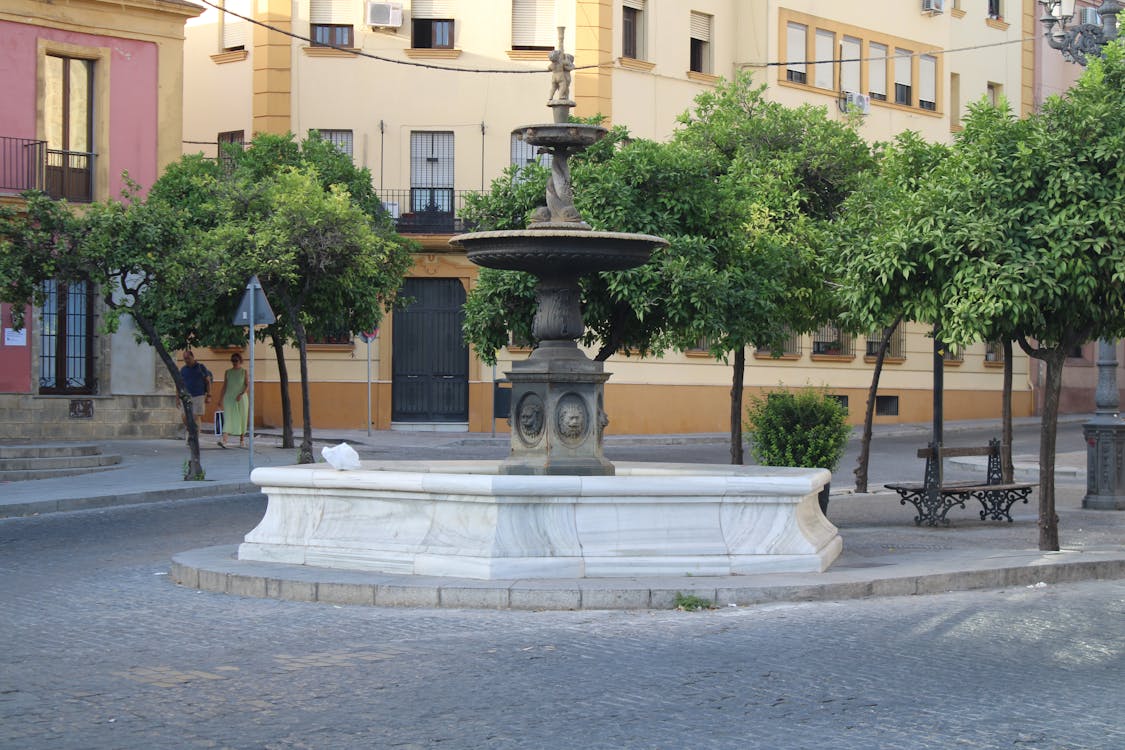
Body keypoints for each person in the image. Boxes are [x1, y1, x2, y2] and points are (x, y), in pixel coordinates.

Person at [217, 352, 249, 448]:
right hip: (229, 398)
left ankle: (242, 439)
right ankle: (224, 440)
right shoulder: (228, 372)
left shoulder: (244, 372)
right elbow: (224, 386)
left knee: (242, 417)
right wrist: (220, 399)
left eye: (236, 360)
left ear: (240, 361)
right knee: (228, 418)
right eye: (232, 360)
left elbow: (247, 385)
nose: (234, 362)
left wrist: (241, 394)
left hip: (241, 398)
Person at [179, 350, 213, 440]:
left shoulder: (201, 367)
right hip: (186, 396)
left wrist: (209, 395)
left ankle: (194, 439)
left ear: (192, 357)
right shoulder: (183, 369)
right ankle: (191, 431)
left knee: (195, 417)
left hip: (198, 395)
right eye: (185, 359)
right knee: (184, 416)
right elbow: (179, 384)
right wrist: (177, 397)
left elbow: (208, 381)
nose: (186, 360)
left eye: (188, 358)